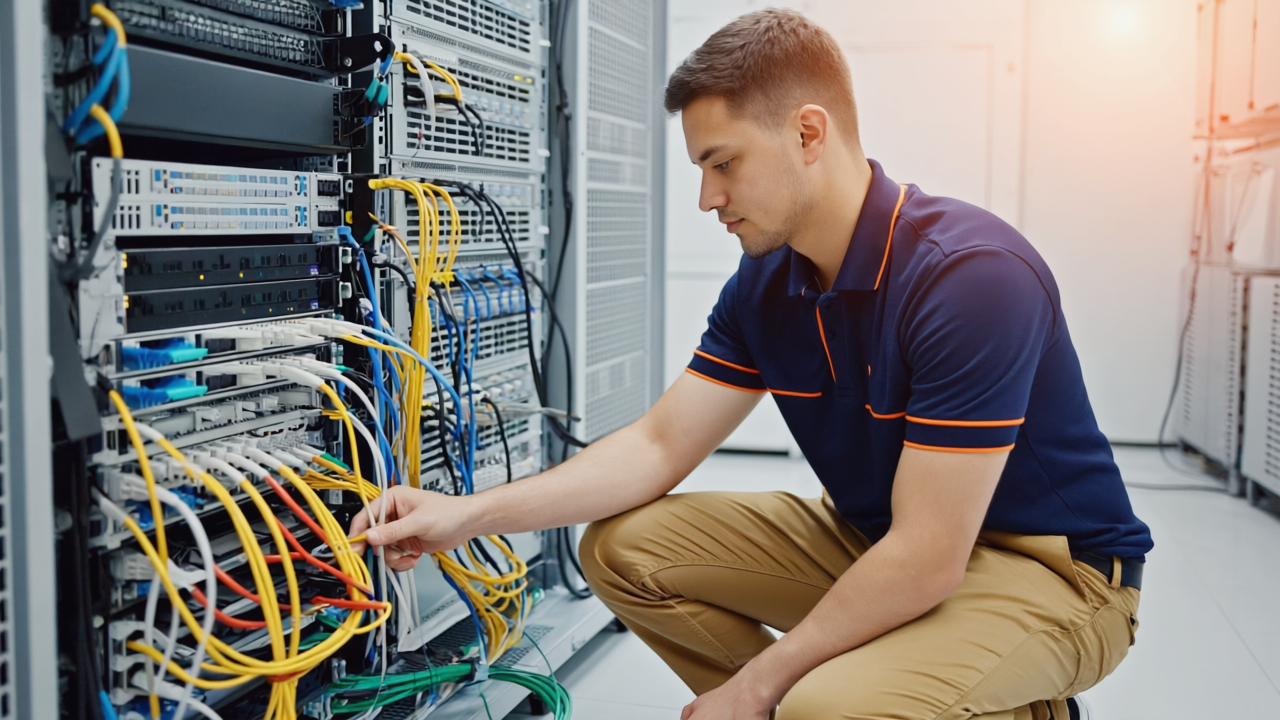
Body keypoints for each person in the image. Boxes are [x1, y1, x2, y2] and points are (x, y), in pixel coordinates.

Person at [349, 9, 1152, 720]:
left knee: (826, 707)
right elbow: (658, 445)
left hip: (1052, 573)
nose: (707, 197)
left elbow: (930, 555)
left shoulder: (970, 277)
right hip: (882, 542)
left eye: (723, 163)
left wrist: (760, 683)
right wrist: (465, 515)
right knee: (621, 549)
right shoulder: (767, 282)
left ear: (808, 135)